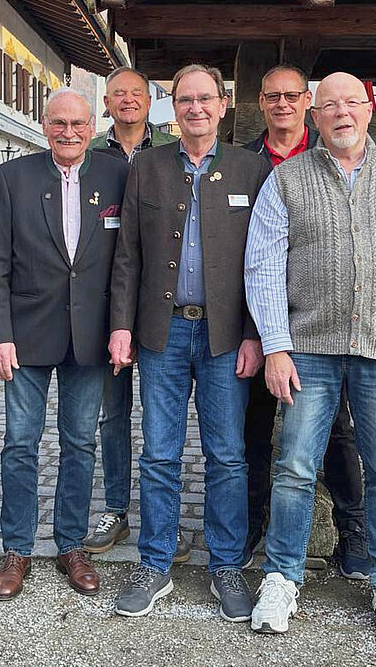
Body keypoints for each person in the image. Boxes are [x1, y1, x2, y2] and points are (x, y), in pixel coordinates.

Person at [244, 72, 376, 635]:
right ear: (314, 116)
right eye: (330, 105)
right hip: (308, 349)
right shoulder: (287, 180)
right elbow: (263, 266)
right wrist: (277, 347)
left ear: (370, 109)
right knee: (292, 468)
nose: (342, 114)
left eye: (352, 103)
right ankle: (282, 579)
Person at [109, 64, 271, 622]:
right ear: (171, 107)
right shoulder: (148, 167)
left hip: (228, 336)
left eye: (205, 99)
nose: (195, 108)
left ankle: (226, 564)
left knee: (227, 455)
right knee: (159, 452)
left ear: (223, 105)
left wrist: (256, 334)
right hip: (162, 331)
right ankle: (155, 564)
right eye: (185, 100)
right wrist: (122, 324)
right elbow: (127, 252)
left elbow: (264, 261)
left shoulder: (251, 168)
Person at [0, 87, 130, 601]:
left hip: (90, 335)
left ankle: (71, 544)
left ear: (93, 125)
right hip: (26, 333)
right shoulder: (13, 177)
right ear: (44, 125)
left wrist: (121, 324)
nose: (68, 132)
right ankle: (17, 548)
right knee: (20, 445)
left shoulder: (116, 173)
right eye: (58, 123)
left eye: (78, 123)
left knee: (80, 443)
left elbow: (125, 259)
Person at [240, 64, 371, 579]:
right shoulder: (245, 161)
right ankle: (253, 525)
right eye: (272, 96)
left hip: (321, 324)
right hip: (259, 319)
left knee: (338, 432)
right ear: (261, 103)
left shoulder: (330, 157)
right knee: (251, 428)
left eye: (292, 96)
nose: (282, 104)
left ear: (308, 103)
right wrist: (255, 331)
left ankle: (353, 532)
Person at [83, 66, 186, 562]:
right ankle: (118, 508)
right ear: (107, 102)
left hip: (163, 301)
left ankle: (165, 519)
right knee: (114, 412)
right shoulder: (90, 153)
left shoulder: (172, 150)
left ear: (151, 101)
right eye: (118, 94)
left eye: (136, 94)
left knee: (166, 419)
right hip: (108, 300)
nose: (127, 101)